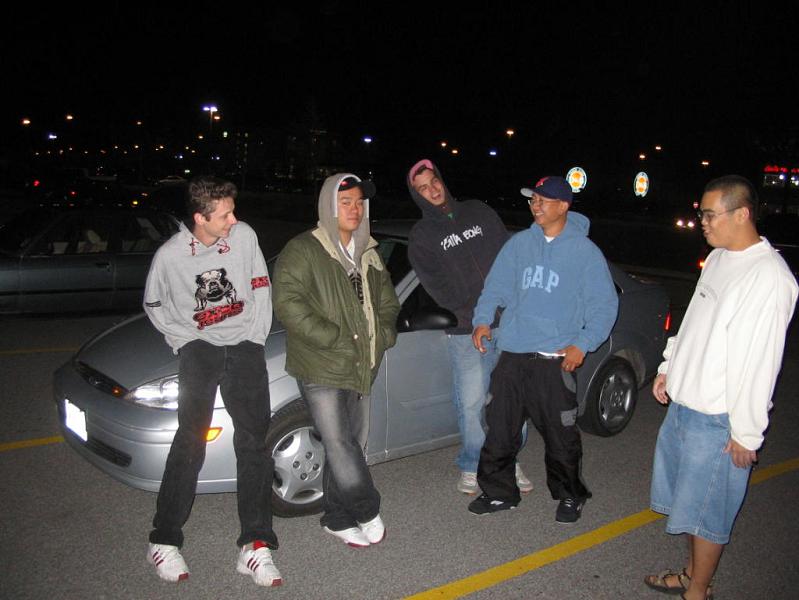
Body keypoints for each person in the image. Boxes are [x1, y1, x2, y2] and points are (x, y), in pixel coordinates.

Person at [644, 175, 797, 600]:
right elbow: (694, 323)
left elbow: (760, 362)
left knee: (708, 514)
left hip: (718, 418)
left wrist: (747, 432)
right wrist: (669, 367)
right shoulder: (718, 258)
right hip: (686, 406)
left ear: (742, 214)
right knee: (689, 506)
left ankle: (698, 591)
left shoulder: (768, 277)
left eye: (710, 215)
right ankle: (691, 575)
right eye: (702, 215)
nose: (703, 223)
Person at [142, 176, 281, 587]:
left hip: (244, 347)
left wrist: (255, 338)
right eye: (224, 215)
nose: (234, 220)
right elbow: (154, 303)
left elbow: (260, 285)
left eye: (233, 211)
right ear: (200, 218)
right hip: (200, 349)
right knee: (191, 440)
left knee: (254, 443)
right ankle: (164, 539)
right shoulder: (170, 256)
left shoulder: (244, 236)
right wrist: (183, 340)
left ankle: (255, 544)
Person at [469, 176, 618, 523]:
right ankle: (499, 492)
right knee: (499, 428)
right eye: (532, 200)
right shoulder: (519, 244)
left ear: (564, 206)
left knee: (560, 434)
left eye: (543, 200)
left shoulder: (584, 253)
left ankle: (570, 495)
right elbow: (496, 287)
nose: (535, 206)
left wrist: (583, 344)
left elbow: (604, 305)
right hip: (513, 353)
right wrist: (482, 320)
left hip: (554, 359)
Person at [273, 173, 400, 548]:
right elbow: (287, 303)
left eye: (359, 202)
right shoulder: (304, 249)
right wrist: (331, 337)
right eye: (346, 202)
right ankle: (366, 507)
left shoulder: (368, 252)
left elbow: (388, 303)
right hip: (321, 366)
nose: (354, 209)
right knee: (340, 442)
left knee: (348, 445)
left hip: (361, 365)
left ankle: (337, 517)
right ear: (328, 205)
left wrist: (384, 334)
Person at [406, 159, 532, 496]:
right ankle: (473, 463)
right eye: (423, 188)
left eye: (434, 181)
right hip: (466, 332)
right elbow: (437, 287)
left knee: (511, 400)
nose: (432, 190)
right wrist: (472, 314)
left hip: (508, 325)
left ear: (442, 180)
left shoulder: (478, 211)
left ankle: (507, 460)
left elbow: (509, 257)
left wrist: (511, 304)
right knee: (472, 403)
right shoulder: (421, 237)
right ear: (417, 195)